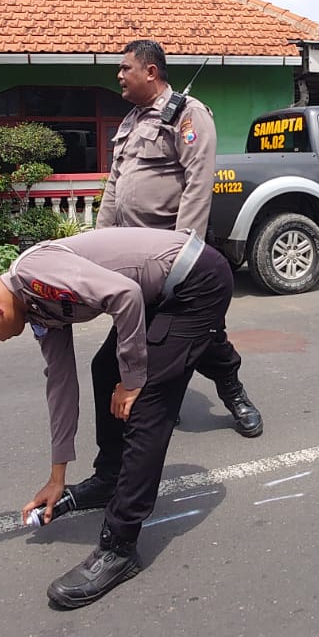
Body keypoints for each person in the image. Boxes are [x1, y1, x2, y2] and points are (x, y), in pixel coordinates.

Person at [0, 227, 235, 609]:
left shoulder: (34, 275)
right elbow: (60, 384)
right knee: (104, 368)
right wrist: (57, 478)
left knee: (147, 403)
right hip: (158, 295)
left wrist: (134, 379)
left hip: (196, 283)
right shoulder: (35, 307)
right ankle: (110, 478)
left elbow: (125, 295)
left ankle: (119, 547)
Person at [96, 38, 262, 438]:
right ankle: (159, 402)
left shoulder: (188, 116)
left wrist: (181, 258)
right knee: (137, 333)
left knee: (202, 337)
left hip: (171, 255)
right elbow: (115, 185)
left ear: (150, 71)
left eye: (126, 68)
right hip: (130, 256)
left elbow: (197, 185)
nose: (119, 75)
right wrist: (99, 244)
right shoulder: (131, 122)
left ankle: (234, 393)